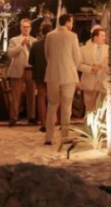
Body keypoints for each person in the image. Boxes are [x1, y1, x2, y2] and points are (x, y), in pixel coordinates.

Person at [44, 13, 81, 145]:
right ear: (68, 22)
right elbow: (78, 58)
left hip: (52, 75)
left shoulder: (50, 35)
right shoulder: (72, 36)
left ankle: (49, 137)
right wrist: (71, 67)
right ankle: (65, 136)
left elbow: (47, 55)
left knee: (51, 105)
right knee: (67, 106)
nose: (72, 24)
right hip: (68, 76)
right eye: (72, 22)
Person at [7, 19, 38, 125]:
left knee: (31, 95)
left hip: (30, 70)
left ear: (30, 28)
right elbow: (10, 54)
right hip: (18, 70)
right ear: (20, 27)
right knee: (16, 95)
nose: (26, 29)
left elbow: (36, 57)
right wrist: (21, 45)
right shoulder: (14, 40)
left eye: (27, 27)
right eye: (24, 27)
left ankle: (31, 116)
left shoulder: (34, 41)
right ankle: (14, 117)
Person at [79, 27, 108, 114]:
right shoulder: (83, 49)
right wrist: (91, 68)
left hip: (104, 82)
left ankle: (102, 126)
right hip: (89, 82)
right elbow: (78, 65)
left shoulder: (108, 49)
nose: (104, 38)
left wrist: (108, 68)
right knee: (89, 108)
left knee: (103, 108)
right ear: (95, 37)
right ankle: (88, 126)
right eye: (102, 36)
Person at [29, 22, 52, 132]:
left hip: (39, 74)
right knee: (53, 99)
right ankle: (53, 121)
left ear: (41, 32)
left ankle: (43, 123)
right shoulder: (55, 44)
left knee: (41, 98)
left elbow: (30, 61)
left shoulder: (36, 44)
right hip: (52, 73)